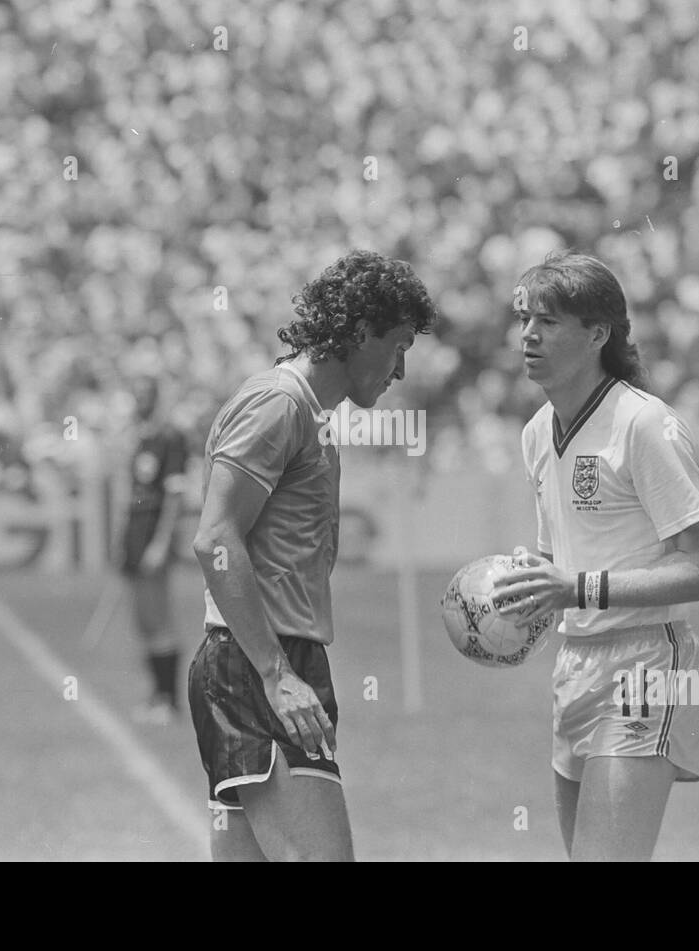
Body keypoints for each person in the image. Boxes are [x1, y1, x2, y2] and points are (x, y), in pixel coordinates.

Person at [189, 250, 436, 861]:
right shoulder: (281, 405)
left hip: (259, 661)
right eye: (398, 345)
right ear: (358, 333)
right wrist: (277, 676)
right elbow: (216, 540)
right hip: (258, 665)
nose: (401, 369)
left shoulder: (307, 412)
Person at [491, 251, 699, 862]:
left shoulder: (644, 425)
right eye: (525, 319)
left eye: (549, 321)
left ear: (598, 334)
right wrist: (517, 599)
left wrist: (576, 588)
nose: (529, 335)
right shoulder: (537, 432)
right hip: (576, 665)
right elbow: (557, 568)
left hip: (649, 662)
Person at [117, 380, 189, 724]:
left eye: (145, 396)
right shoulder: (140, 439)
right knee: (143, 622)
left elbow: (174, 497)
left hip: (151, 538)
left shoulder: (170, 438)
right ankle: (155, 695)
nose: (139, 402)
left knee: (159, 619)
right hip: (135, 537)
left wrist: (160, 543)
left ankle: (169, 700)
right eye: (136, 396)